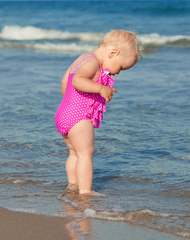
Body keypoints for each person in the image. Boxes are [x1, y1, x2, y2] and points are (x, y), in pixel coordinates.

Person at [55, 30, 140, 195]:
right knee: (86, 153)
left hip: (63, 113)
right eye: (121, 67)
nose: (117, 73)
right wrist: (100, 88)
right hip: (78, 116)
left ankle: (73, 185)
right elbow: (78, 80)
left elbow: (65, 81)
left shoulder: (82, 58)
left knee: (74, 153)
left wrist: (69, 103)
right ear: (113, 53)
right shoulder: (92, 62)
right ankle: (85, 191)